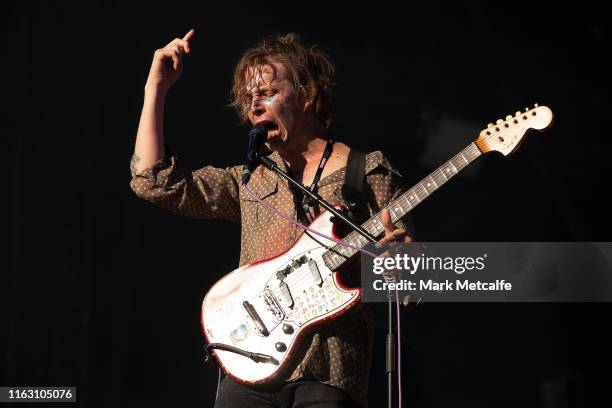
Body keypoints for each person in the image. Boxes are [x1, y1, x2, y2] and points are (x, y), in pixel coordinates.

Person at [130, 28, 415, 408]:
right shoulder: (252, 178)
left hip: (329, 369)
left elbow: (412, 282)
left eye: (266, 93)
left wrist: (404, 264)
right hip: (251, 365)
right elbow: (154, 182)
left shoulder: (368, 172)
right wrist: (157, 88)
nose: (254, 106)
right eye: (249, 98)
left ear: (306, 95)